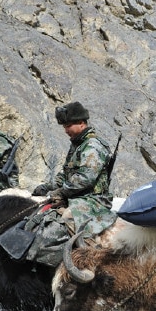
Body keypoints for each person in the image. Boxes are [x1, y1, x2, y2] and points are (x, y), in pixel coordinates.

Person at [25, 102, 116, 266]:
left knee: (67, 218)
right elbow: (66, 175)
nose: (66, 130)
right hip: (77, 196)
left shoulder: (93, 146)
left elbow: (85, 178)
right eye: (64, 127)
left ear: (82, 123)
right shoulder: (77, 145)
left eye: (68, 126)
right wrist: (48, 187)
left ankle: (91, 258)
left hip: (93, 200)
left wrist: (61, 192)